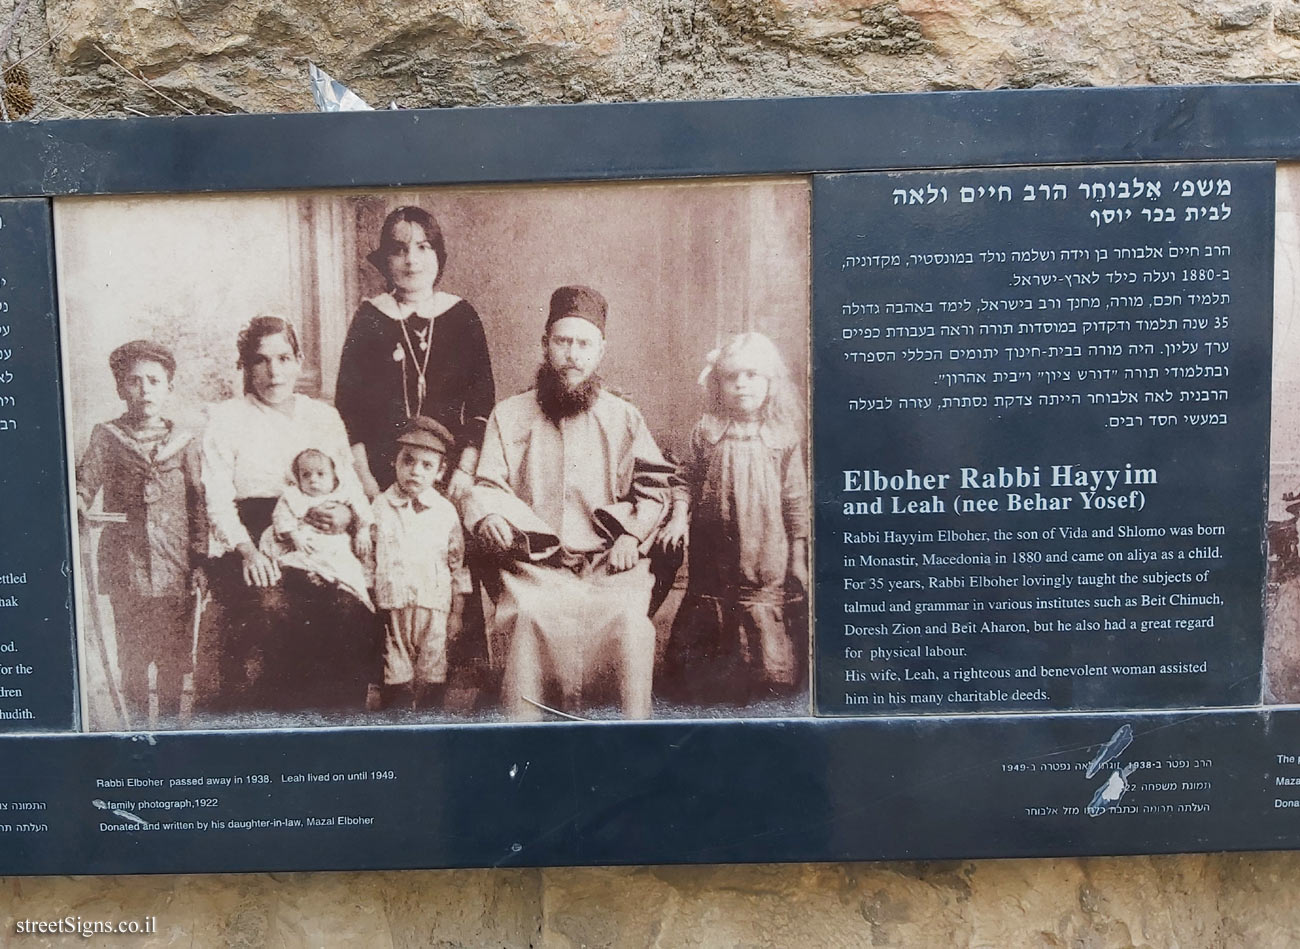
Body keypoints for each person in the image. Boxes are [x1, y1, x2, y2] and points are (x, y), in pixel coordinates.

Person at [464, 286, 673, 720]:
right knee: (526, 617)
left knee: (631, 626)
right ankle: (526, 745)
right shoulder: (510, 414)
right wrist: (489, 516)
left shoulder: (624, 417)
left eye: (584, 344)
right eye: (562, 342)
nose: (572, 355)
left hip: (608, 566)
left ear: (600, 352)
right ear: (545, 346)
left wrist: (631, 535)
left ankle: (628, 749)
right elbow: (487, 483)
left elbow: (654, 487)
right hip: (535, 567)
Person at [201, 316, 377, 715]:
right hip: (252, 539)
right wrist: (249, 553)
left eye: (283, 358)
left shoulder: (323, 416)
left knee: (349, 610)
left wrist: (348, 519)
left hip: (323, 542)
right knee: (271, 608)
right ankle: (278, 732)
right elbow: (218, 499)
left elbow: (347, 481)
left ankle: (337, 730)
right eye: (261, 361)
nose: (274, 371)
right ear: (246, 367)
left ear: (298, 360)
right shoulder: (226, 418)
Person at [657, 332, 810, 706]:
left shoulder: (781, 436)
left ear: (770, 383)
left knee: (760, 601)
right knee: (711, 595)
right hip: (713, 547)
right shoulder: (707, 431)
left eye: (753, 375)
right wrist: (678, 518)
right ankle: (709, 676)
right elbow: (684, 480)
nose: (742, 384)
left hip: (766, 549)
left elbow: (795, 499)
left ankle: (763, 673)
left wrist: (798, 557)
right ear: (718, 383)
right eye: (732, 376)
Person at [76, 339, 204, 728]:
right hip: (126, 570)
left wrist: (200, 562)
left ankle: (165, 732)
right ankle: (133, 734)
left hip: (175, 569)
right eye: (134, 381)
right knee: (132, 657)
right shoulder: (107, 436)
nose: (144, 389)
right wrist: (80, 503)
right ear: (120, 388)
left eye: (154, 380)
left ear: (168, 387)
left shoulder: (185, 442)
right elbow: (84, 484)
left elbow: (198, 504)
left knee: (171, 660)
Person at [335, 205, 495, 500]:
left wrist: (465, 470)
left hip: (449, 473)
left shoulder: (462, 316)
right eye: (399, 250)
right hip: (381, 474)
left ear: (438, 255)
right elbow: (349, 411)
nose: (411, 261)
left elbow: (481, 405)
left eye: (423, 247)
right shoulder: (369, 317)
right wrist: (366, 481)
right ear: (385, 259)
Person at [370, 416, 471, 712]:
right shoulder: (379, 507)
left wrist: (457, 612)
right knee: (395, 677)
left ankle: (430, 733)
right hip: (393, 607)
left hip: (434, 609)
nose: (415, 471)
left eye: (427, 466)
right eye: (409, 461)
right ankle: (397, 734)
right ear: (395, 462)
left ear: (441, 472)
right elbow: (368, 556)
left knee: (432, 675)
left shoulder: (446, 512)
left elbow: (458, 565)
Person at [259, 448, 375, 613]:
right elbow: (281, 516)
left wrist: (363, 530)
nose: (313, 480)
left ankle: (340, 585)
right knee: (296, 561)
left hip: (335, 542)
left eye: (321, 474)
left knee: (345, 566)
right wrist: (294, 535)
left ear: (334, 476)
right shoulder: (294, 496)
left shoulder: (342, 494)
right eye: (306, 475)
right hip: (304, 541)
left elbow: (362, 508)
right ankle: (309, 577)